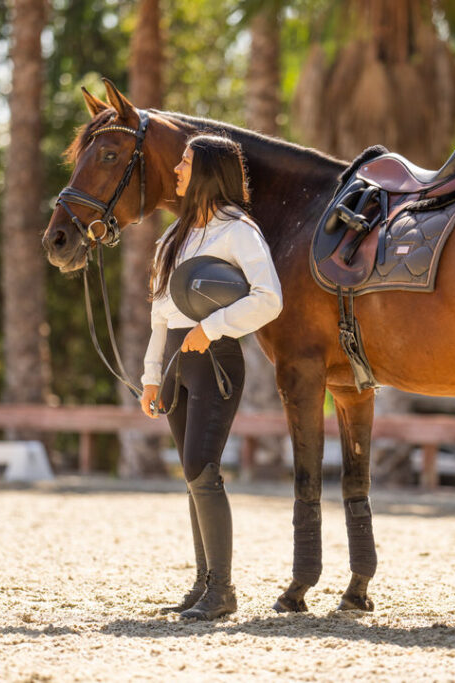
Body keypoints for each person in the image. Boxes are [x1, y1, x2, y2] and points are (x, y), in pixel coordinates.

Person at [139, 135, 283, 620]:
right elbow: (161, 314)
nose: (176, 170)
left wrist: (212, 327)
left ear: (206, 172)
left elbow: (269, 298)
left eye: (184, 162)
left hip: (216, 358)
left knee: (203, 470)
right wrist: (151, 375)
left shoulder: (239, 231)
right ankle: (203, 586)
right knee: (192, 477)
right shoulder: (174, 235)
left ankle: (222, 592)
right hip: (178, 362)